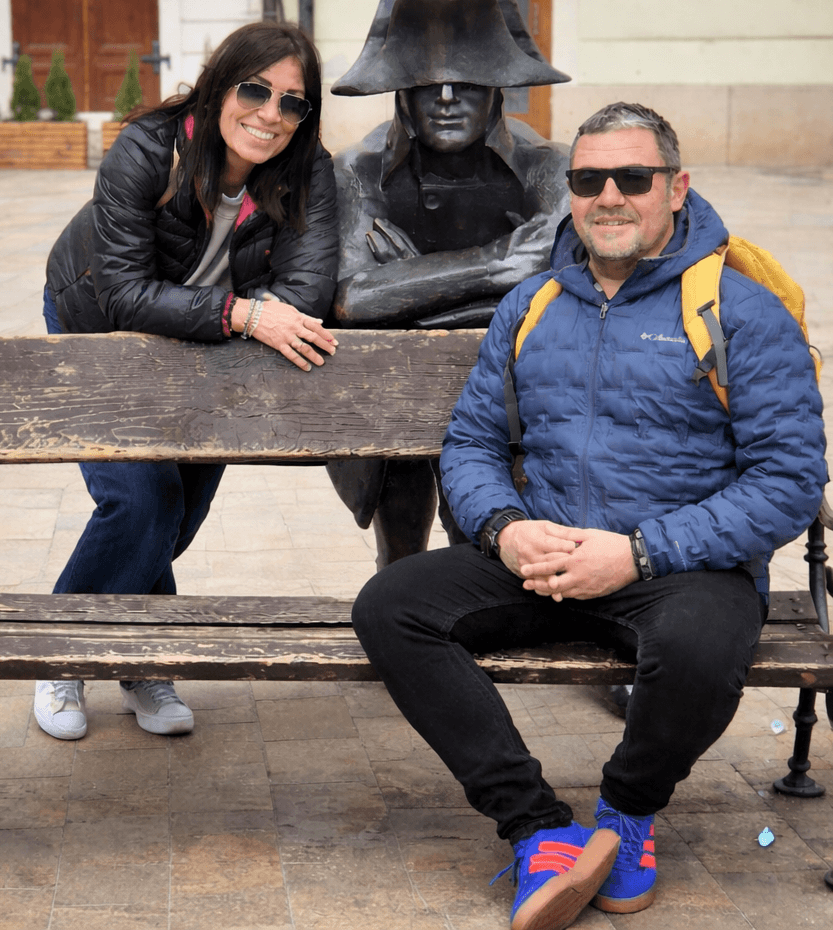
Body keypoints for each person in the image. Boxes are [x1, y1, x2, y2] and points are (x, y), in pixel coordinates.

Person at [351, 103, 826, 930]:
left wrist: (640, 553)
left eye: (633, 178)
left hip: (682, 570)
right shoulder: (533, 304)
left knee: (701, 644)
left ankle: (626, 816)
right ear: (569, 194)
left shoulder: (741, 312)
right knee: (392, 606)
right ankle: (538, 829)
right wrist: (504, 528)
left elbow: (789, 480)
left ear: (676, 189)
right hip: (548, 555)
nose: (609, 196)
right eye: (587, 180)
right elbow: (469, 441)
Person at [37, 22, 339, 741]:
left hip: (218, 346)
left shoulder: (308, 169)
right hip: (101, 329)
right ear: (217, 86)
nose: (271, 114)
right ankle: (61, 651)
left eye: (292, 103)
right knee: (143, 496)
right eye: (256, 90)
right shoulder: (146, 149)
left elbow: (308, 288)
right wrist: (242, 311)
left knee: (179, 511)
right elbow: (123, 291)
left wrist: (248, 318)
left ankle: (139, 659)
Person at [325, 0, 571, 568]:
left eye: (466, 82)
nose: (444, 98)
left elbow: (563, 282)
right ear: (398, 89)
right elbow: (354, 300)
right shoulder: (358, 170)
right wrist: (499, 267)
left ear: (498, 86)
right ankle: (400, 608)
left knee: (482, 535)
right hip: (392, 395)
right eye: (425, 83)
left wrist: (412, 290)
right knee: (401, 537)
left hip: (511, 396)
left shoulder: (549, 167)